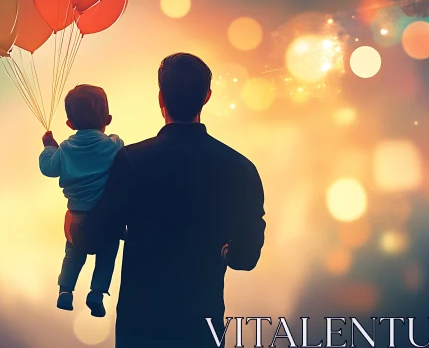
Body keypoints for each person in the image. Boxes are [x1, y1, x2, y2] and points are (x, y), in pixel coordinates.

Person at [73, 53, 266, 348]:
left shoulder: (130, 161)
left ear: (161, 98)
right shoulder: (239, 167)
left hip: (141, 325)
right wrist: (224, 250)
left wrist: (74, 215)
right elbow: (246, 258)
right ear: (207, 97)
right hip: (202, 327)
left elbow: (94, 240)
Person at [39, 84, 124, 318]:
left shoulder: (64, 149)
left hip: (75, 219)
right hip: (105, 220)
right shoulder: (113, 145)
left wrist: (48, 147)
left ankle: (65, 291)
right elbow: (122, 155)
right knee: (108, 252)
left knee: (73, 253)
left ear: (70, 124)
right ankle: (96, 293)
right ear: (108, 118)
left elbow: (48, 168)